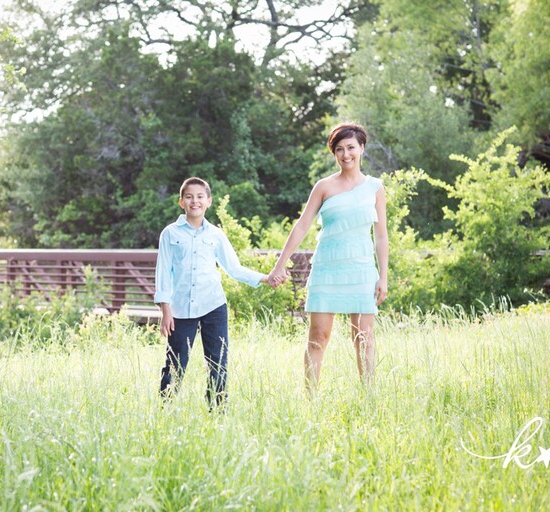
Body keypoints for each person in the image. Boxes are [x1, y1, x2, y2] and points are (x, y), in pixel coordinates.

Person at [268, 122, 388, 391]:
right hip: (327, 270)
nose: (346, 154)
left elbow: (381, 236)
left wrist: (384, 277)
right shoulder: (324, 186)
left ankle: (369, 397)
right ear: (334, 153)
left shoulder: (375, 188)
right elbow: (301, 226)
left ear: (362, 149)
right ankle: (311, 400)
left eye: (351, 148)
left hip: (362, 270)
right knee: (318, 338)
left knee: (364, 338)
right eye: (340, 149)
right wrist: (279, 265)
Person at [154, 177, 271, 409]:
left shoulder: (216, 235)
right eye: (189, 197)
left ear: (208, 201)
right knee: (176, 363)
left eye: (199, 197)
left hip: (214, 306)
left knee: (218, 362)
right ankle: (164, 410)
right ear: (181, 202)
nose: (194, 201)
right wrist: (165, 311)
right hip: (180, 310)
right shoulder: (170, 234)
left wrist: (264, 278)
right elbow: (163, 274)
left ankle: (217, 411)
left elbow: (234, 268)